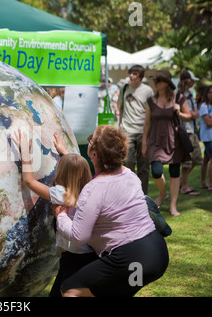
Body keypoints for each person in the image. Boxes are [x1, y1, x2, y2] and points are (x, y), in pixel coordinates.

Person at [53, 125, 169, 297]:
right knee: (110, 291)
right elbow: (98, 181)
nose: (89, 141)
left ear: (94, 154)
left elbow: (79, 236)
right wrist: (67, 154)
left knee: (71, 289)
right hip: (157, 253)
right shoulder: (129, 175)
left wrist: (61, 216)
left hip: (132, 258)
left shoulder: (94, 189)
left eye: (90, 140)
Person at [13, 129, 97, 297]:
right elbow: (78, 169)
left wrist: (25, 152)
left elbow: (29, 181)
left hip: (73, 258)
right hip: (89, 255)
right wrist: (65, 152)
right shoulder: (90, 189)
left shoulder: (61, 194)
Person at [142, 70, 191, 216]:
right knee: (156, 171)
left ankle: (173, 205)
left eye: (158, 81)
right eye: (155, 81)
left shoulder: (179, 98)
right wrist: (144, 143)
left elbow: (189, 116)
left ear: (166, 83)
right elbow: (147, 123)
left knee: (174, 172)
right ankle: (163, 194)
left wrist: (179, 112)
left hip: (174, 140)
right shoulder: (151, 100)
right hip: (156, 140)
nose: (155, 84)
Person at [118, 65, 154, 194]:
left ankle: (143, 195)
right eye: (131, 73)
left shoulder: (148, 91)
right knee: (127, 162)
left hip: (143, 131)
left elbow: (151, 113)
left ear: (140, 77)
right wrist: (120, 126)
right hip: (127, 131)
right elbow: (121, 108)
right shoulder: (124, 88)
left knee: (143, 166)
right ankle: (131, 193)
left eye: (135, 74)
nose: (131, 76)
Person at [178, 71, 202, 195]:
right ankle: (184, 186)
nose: (193, 82)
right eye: (191, 80)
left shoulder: (190, 94)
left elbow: (193, 113)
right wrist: (193, 114)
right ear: (187, 81)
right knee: (187, 160)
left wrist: (194, 114)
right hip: (185, 131)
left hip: (192, 130)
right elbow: (189, 114)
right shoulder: (181, 95)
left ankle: (182, 182)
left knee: (197, 158)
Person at [199, 85, 212, 190]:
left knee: (206, 159)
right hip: (208, 137)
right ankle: (211, 185)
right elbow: (208, 123)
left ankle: (203, 182)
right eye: (210, 92)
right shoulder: (204, 106)